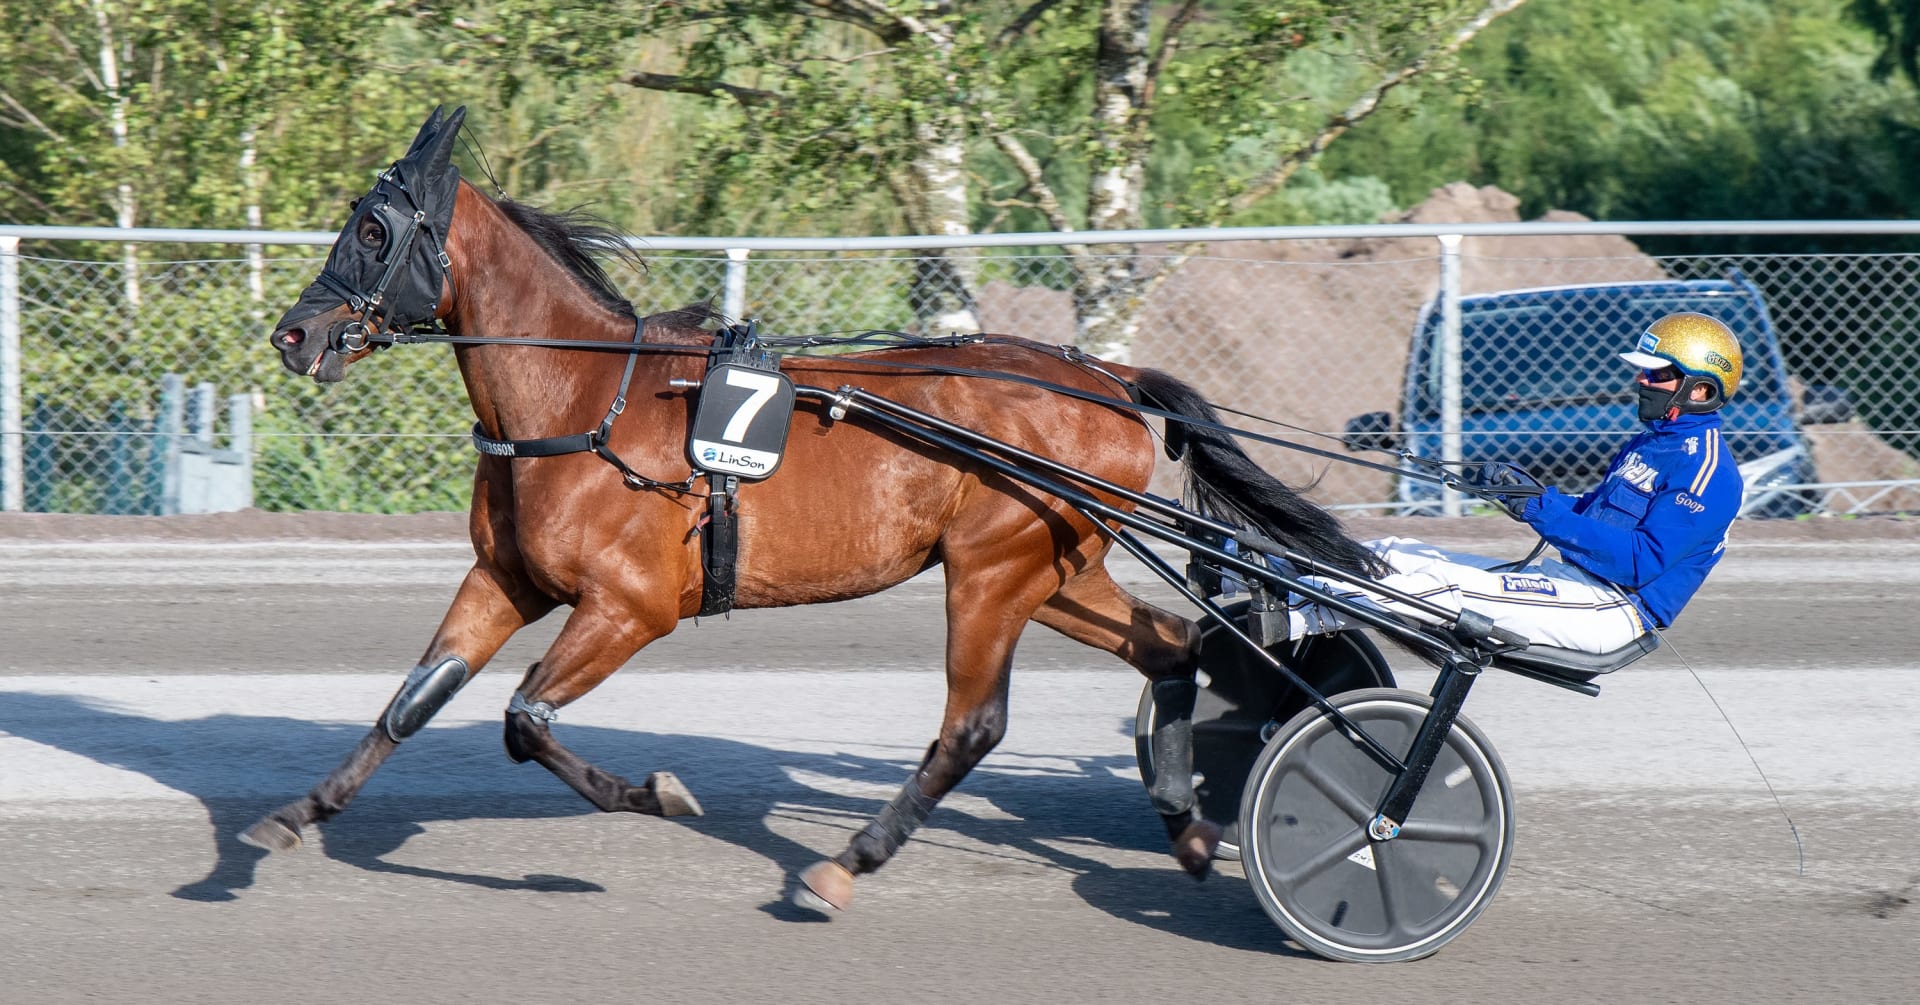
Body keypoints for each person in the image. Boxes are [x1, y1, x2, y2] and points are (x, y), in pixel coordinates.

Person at [1289, 311, 1746, 654]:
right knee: (1395, 552)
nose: (1640, 378)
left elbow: (1640, 562)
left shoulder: (1708, 473)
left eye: (1655, 373)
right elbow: (1597, 512)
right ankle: (1265, 576)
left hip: (1611, 610)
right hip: (1570, 580)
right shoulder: (1651, 444)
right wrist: (1527, 493)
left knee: (1442, 587)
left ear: (1700, 389)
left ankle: (1292, 618)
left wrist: (1540, 511)